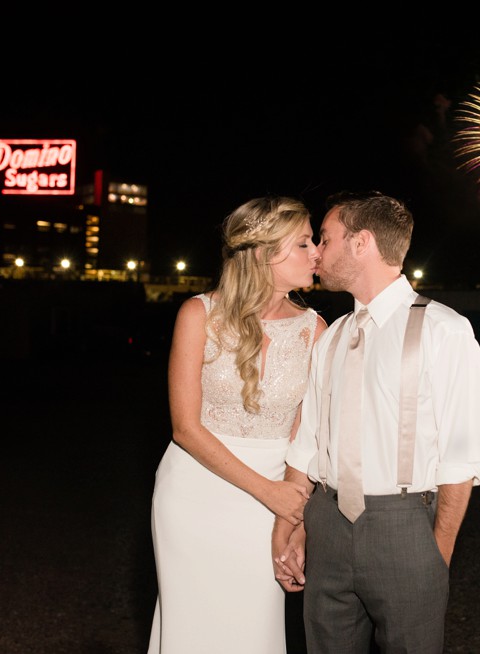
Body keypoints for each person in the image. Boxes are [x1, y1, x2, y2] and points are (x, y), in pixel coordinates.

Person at [272, 190, 480, 653]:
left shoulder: (444, 330)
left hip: (404, 526)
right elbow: (308, 442)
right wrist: (294, 524)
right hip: (327, 522)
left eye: (326, 240)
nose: (317, 253)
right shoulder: (332, 336)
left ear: (361, 243)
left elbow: (462, 456)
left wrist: (437, 557)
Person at [148, 195, 327, 653]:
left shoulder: (315, 329)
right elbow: (185, 427)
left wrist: (295, 520)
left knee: (254, 628)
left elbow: (305, 438)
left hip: (277, 497)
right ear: (266, 253)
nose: (317, 254)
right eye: (304, 243)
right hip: (194, 491)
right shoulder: (198, 314)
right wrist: (268, 492)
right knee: (192, 626)